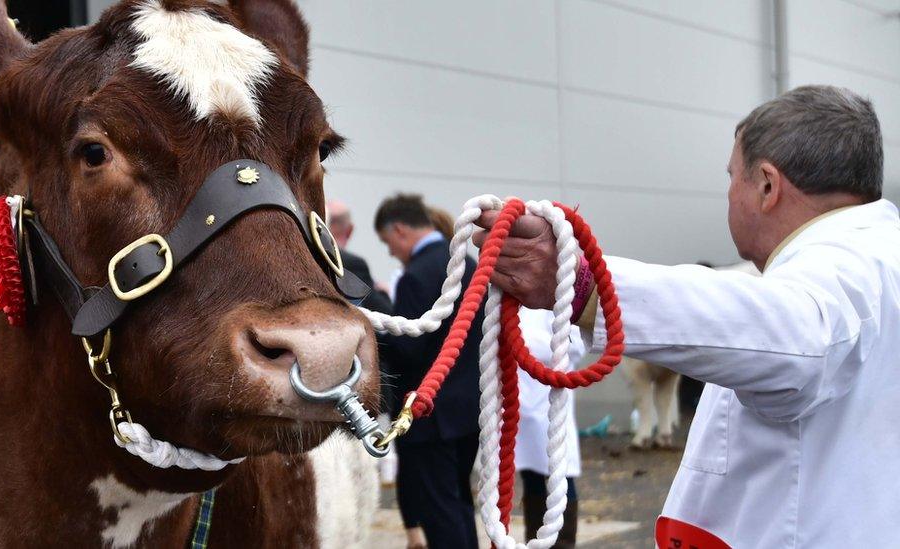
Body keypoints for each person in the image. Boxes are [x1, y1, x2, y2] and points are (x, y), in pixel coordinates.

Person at [473, 85, 898, 547]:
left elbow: (801, 336)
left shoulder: (846, 272)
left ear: (768, 187)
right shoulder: (877, 255)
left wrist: (583, 286)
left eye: (732, 175)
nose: (729, 193)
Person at [376, 193, 482, 549]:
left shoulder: (416, 276)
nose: (391, 251)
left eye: (388, 242)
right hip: (468, 409)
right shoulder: (466, 265)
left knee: (440, 511)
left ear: (400, 230)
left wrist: (373, 329)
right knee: (459, 503)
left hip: (429, 414)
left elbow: (409, 348)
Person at [516, 307, 584, 548]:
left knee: (559, 474)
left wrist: (520, 341)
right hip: (521, 404)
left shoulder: (557, 294)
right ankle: (535, 539)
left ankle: (563, 542)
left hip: (550, 401)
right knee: (531, 475)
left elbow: (576, 345)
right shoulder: (511, 298)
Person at [326, 199, 392, 315]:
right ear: (350, 230)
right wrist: (384, 293)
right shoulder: (354, 264)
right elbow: (383, 312)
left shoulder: (304, 258)